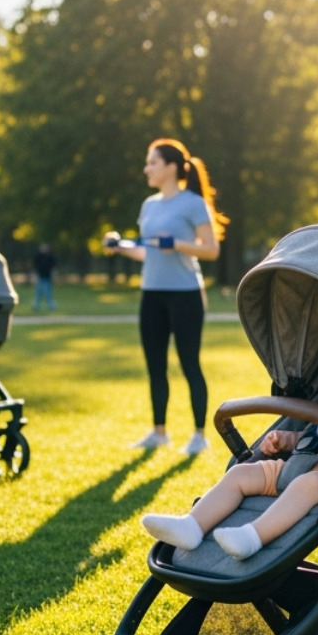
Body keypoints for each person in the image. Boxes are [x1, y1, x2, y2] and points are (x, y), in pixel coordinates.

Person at [141, 332, 318, 559]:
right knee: (240, 474)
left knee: (306, 486)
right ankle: (192, 525)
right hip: (298, 462)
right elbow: (314, 436)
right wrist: (287, 440)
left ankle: (252, 537)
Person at [104, 138, 226, 457]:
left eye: (152, 162)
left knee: (189, 364)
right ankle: (159, 432)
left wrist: (179, 244)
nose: (147, 168)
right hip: (152, 295)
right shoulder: (149, 205)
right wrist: (119, 246)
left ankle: (199, 435)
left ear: (171, 167)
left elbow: (211, 250)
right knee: (155, 366)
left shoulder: (192, 203)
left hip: (185, 294)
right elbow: (149, 252)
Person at [31, 243, 58, 312]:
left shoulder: (50, 257)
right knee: (38, 293)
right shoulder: (38, 257)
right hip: (40, 277)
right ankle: (36, 306)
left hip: (47, 277)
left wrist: (53, 276)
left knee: (48, 293)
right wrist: (35, 276)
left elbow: (53, 267)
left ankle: (51, 306)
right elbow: (35, 266)